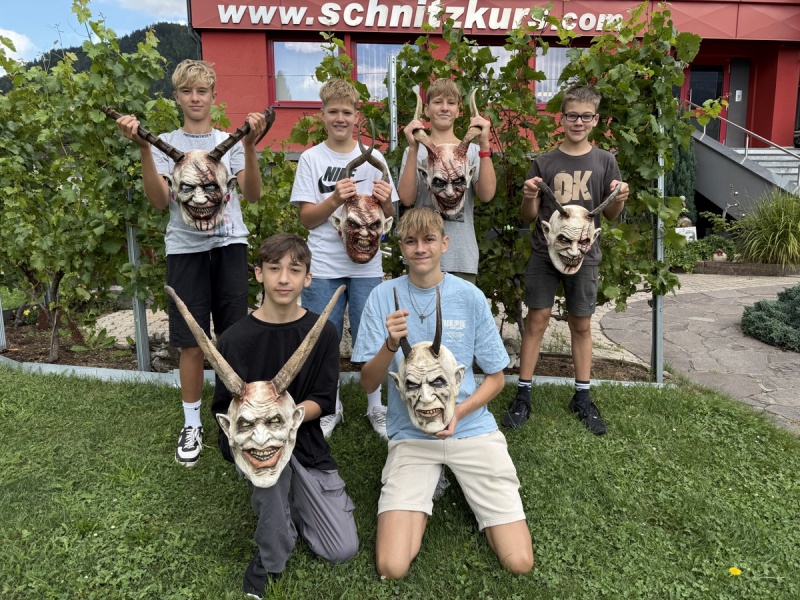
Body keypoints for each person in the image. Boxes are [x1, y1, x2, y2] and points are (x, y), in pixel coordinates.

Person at [352, 207, 534, 579]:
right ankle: (430, 481)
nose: (420, 248)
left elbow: (496, 379)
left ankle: (453, 479)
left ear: (445, 244)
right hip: (411, 437)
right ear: (401, 248)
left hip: (471, 431)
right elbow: (368, 384)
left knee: (519, 562)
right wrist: (390, 344)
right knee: (392, 566)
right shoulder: (382, 297)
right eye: (410, 241)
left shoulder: (469, 296)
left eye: (429, 240)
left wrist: (459, 412)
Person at [114, 59, 268, 466]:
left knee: (233, 339)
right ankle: (192, 423)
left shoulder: (229, 142)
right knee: (191, 342)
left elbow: (252, 194)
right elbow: (159, 201)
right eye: (187, 91)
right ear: (176, 97)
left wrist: (249, 147)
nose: (195, 98)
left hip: (230, 246)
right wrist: (144, 149)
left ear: (214, 96)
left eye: (202, 91)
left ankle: (237, 415)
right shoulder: (164, 142)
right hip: (185, 251)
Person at [212, 233, 358, 598]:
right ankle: (270, 558)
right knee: (269, 472)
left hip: (304, 443)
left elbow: (322, 399)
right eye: (274, 268)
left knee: (341, 549)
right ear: (258, 273)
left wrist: (283, 418)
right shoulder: (232, 340)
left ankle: (291, 507)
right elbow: (222, 409)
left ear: (308, 278)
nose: (283, 278)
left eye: (294, 270)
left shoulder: (324, 333)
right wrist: (261, 430)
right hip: (254, 444)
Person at [501, 85, 629, 435]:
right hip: (544, 254)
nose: (578, 122)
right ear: (562, 117)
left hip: (585, 256)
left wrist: (620, 197)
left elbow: (612, 214)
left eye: (586, 116)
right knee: (536, 320)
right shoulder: (544, 162)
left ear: (596, 120)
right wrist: (529, 195)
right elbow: (529, 215)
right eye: (572, 115)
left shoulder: (605, 161)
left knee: (582, 324)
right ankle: (523, 394)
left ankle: (582, 397)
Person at [290, 78, 398, 439]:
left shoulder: (376, 161)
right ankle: (329, 404)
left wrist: (386, 202)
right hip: (323, 267)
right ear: (322, 115)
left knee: (373, 336)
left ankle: (376, 405)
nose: (340, 118)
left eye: (346, 112)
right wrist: (335, 199)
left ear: (356, 116)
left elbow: (391, 216)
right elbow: (307, 219)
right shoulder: (312, 158)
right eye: (333, 111)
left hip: (368, 268)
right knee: (324, 339)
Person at [397, 78, 496, 283]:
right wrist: (414, 148)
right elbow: (406, 199)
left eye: (451, 103)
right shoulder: (414, 151)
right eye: (438, 102)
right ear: (426, 109)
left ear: (459, 110)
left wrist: (484, 144)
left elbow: (486, 195)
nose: (444, 108)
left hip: (462, 258)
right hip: (421, 257)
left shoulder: (473, 151)